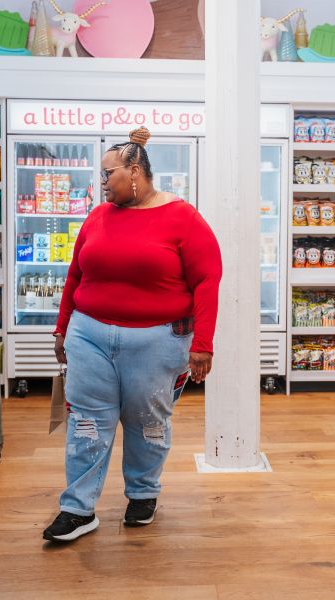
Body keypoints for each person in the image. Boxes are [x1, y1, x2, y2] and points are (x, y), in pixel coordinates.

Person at [42, 127, 222, 542]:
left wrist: (202, 346)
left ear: (135, 170)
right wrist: (62, 327)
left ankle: (142, 494)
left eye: (108, 175)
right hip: (88, 336)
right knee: (86, 422)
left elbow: (208, 281)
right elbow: (75, 274)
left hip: (157, 340)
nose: (102, 183)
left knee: (147, 423)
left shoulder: (183, 217)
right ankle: (77, 508)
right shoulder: (98, 215)